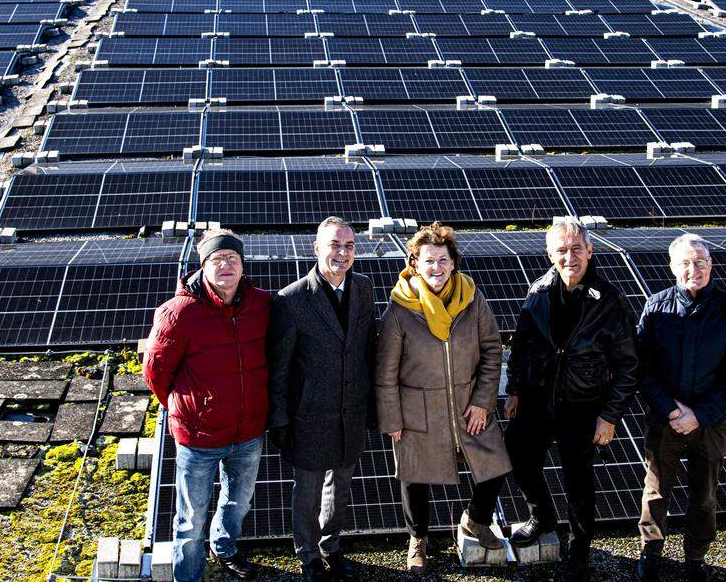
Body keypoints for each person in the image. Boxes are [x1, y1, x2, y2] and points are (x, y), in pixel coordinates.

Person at [503, 217, 639, 577]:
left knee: (578, 480)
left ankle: (579, 550)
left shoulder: (609, 301)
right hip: (537, 398)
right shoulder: (538, 293)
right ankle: (542, 515)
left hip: (583, 404)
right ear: (550, 253)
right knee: (517, 453)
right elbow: (520, 345)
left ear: (590, 251)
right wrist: (515, 388)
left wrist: (610, 416)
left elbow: (629, 365)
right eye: (561, 250)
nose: (569, 257)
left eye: (576, 249)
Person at [376, 222, 512, 574]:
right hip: (417, 409)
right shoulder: (399, 311)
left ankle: (476, 520)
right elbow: (386, 373)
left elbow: (491, 350)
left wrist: (483, 400)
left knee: (495, 465)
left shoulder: (472, 299)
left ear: (454, 263)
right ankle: (418, 538)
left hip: (469, 403)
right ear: (415, 265)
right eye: (428, 261)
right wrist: (391, 419)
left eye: (442, 259)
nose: (436, 267)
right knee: (414, 476)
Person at [144, 229, 271, 582]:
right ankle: (189, 576)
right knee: (191, 517)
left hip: (248, 432)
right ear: (203, 266)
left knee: (238, 502)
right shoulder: (178, 313)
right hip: (198, 437)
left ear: (243, 266)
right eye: (217, 259)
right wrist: (187, 408)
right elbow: (156, 373)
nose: (226, 265)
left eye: (233, 259)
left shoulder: (261, 305)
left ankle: (225, 546)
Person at [635, 233, 726, 582]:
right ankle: (651, 553)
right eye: (685, 263)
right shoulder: (656, 308)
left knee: (704, 495)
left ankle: (695, 559)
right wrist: (671, 411)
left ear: (711, 265)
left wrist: (699, 415)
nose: (693, 269)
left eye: (700, 262)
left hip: (712, 422)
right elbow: (643, 367)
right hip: (664, 419)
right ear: (673, 267)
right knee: (656, 491)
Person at [267, 216, 379, 581]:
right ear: (317, 249)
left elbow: (368, 350)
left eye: (349, 246)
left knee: (340, 486)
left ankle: (332, 546)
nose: (342, 253)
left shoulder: (363, 289)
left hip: (351, 411)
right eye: (334, 245)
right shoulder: (292, 299)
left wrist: (374, 406)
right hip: (309, 415)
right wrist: (280, 419)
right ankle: (308, 554)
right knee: (309, 492)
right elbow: (280, 368)